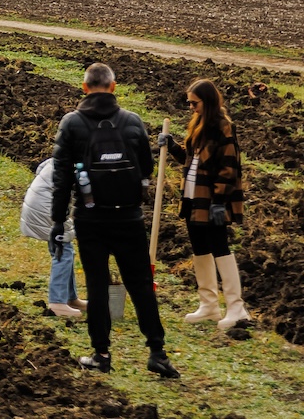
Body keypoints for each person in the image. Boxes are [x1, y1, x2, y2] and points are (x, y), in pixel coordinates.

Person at [49, 63, 179, 378]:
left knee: (97, 285)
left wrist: (57, 221)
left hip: (90, 218)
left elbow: (61, 177)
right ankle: (157, 353)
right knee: (141, 286)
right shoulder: (132, 122)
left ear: (84, 88)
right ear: (113, 86)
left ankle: (101, 354)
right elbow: (146, 168)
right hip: (129, 216)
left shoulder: (72, 125)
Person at [160, 78, 249, 329]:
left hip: (211, 199)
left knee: (219, 246)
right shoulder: (198, 125)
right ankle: (208, 305)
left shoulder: (223, 127)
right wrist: (172, 147)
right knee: (200, 247)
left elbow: (229, 167)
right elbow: (192, 161)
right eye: (188, 102)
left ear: (207, 101)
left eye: (194, 102)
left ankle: (236, 308)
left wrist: (219, 201)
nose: (190, 107)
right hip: (193, 197)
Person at [20, 156, 84, 320]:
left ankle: (70, 298)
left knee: (64, 248)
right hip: (47, 206)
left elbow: (41, 168)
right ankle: (57, 303)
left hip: (38, 200)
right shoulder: (83, 160)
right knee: (63, 250)